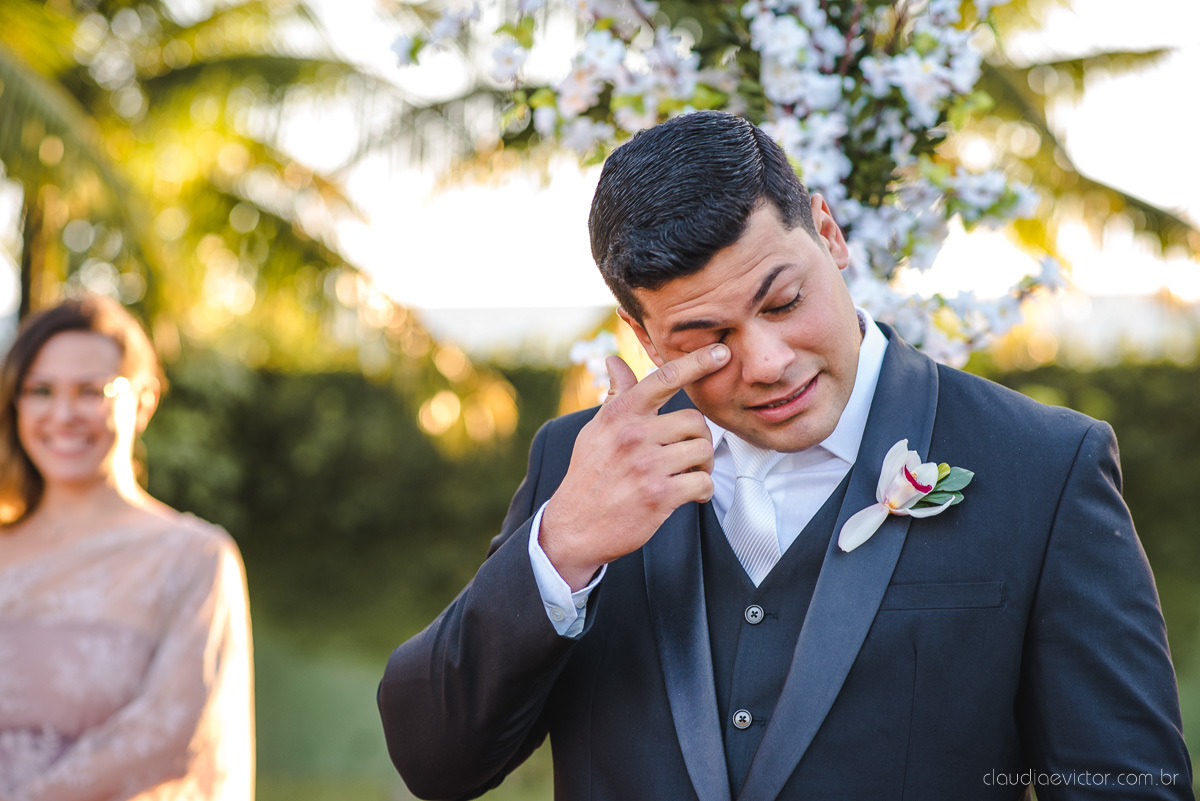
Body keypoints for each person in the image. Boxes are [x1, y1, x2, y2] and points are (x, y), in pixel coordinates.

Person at [378, 111, 1192, 800]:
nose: (766, 360)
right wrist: (560, 548)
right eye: (706, 340)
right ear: (642, 336)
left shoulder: (1043, 467)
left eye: (783, 300)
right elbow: (435, 758)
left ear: (829, 234)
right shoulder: (579, 465)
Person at [0, 295, 254, 801]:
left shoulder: (194, 559)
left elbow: (168, 734)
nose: (64, 414)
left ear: (143, 401)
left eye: (92, 391)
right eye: (41, 391)